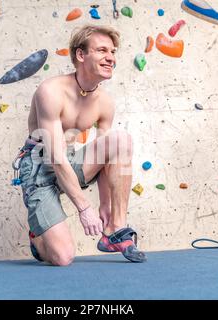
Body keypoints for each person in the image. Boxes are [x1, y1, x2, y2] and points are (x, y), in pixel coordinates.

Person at [13, 24, 146, 266]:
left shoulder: (105, 102)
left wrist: (105, 205)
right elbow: (55, 157)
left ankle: (115, 229)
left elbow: (109, 162)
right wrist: (85, 209)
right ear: (81, 55)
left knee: (120, 141)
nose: (111, 58)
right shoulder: (51, 91)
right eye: (102, 50)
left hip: (71, 160)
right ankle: (38, 239)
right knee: (63, 258)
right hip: (39, 167)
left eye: (113, 52)